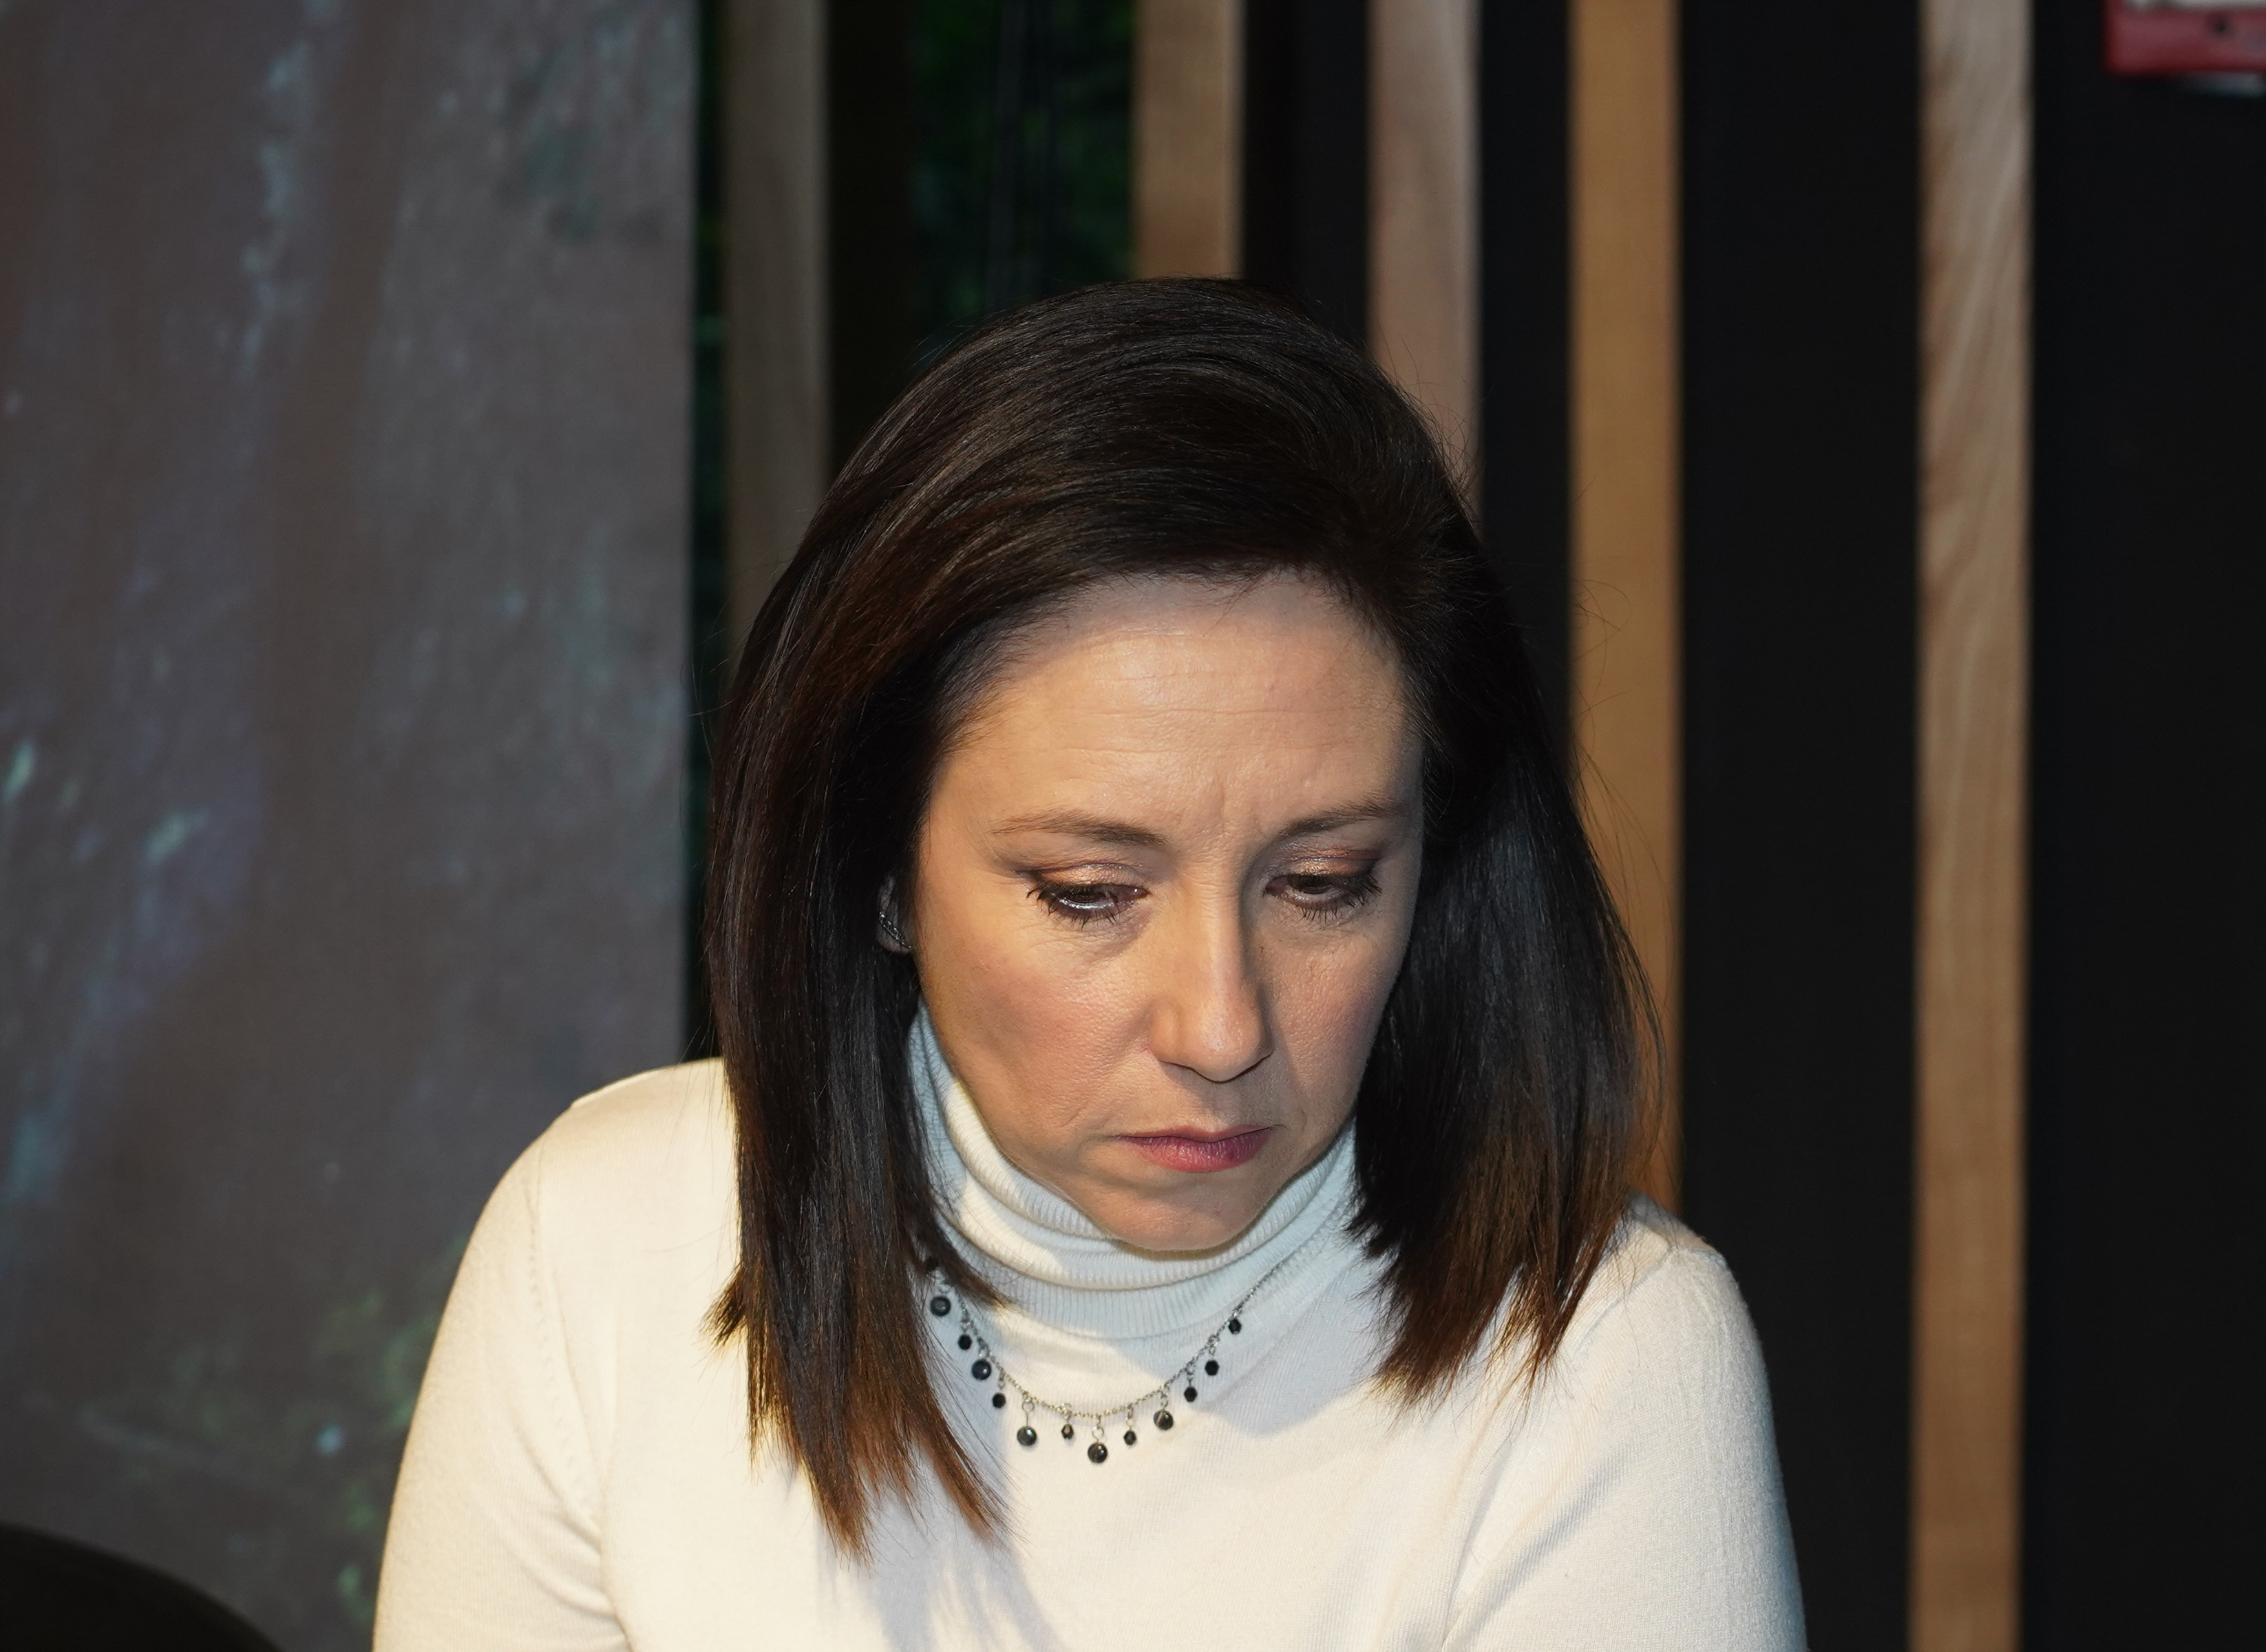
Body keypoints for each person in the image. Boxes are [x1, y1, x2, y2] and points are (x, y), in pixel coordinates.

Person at [374, 279, 1804, 1650]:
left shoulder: (1600, 1358)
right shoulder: (609, 1245)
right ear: (881, 870)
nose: (1222, 1027)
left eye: (1321, 886)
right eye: (1090, 895)